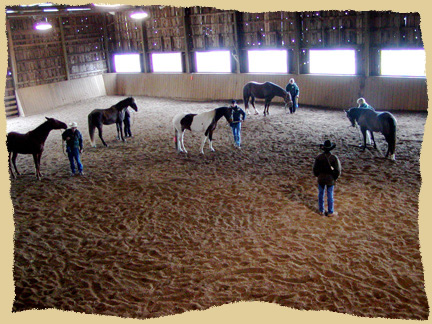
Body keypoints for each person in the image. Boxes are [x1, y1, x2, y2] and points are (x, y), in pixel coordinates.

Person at [313, 140, 342, 216]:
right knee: (330, 194)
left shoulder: (319, 157)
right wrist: (335, 178)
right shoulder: (334, 158)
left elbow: (315, 169)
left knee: (321, 194)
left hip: (321, 178)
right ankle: (330, 211)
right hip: (330, 178)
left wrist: (318, 176)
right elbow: (337, 170)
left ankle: (321, 210)